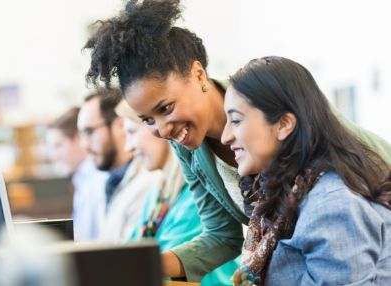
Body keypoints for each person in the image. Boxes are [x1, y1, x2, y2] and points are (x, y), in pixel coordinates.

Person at [83, 0, 391, 281]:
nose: (162, 130)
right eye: (148, 120)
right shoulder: (188, 146)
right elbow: (221, 236)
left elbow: (362, 169)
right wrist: (145, 268)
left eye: (166, 108)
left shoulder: (269, 103)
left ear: (199, 75)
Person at [221, 56, 391, 285]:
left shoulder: (332, 205)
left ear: (283, 124)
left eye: (236, 121)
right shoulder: (290, 194)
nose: (225, 136)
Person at [116, 100, 238, 285]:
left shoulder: (194, 196)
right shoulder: (158, 194)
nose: (128, 147)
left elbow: (157, 269)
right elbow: (131, 252)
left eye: (132, 133)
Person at [77, 88, 155, 243]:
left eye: (89, 131)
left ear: (120, 126)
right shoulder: (111, 182)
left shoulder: (148, 182)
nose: (84, 145)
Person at [47, 107, 108, 241]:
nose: (53, 156)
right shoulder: (82, 179)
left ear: (78, 138)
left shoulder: (99, 179)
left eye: (58, 146)